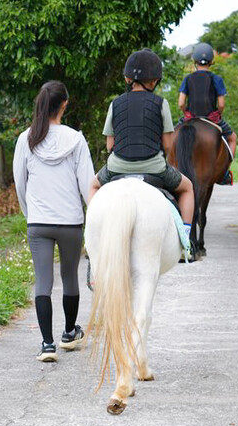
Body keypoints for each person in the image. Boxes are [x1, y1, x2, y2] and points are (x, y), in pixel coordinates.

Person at [13, 80, 95, 362]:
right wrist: (93, 218)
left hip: (39, 222)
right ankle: (69, 333)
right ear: (64, 105)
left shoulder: (26, 139)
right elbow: (87, 186)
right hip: (71, 222)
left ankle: (47, 345)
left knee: (43, 282)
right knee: (70, 277)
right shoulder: (76, 139)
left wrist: (31, 216)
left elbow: (20, 185)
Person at [88, 48, 195, 239]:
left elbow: (109, 145)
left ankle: (92, 235)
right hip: (154, 167)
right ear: (154, 81)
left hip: (117, 166)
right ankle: (185, 239)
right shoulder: (161, 103)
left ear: (127, 79)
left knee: (93, 186)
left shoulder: (115, 103)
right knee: (187, 187)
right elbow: (168, 144)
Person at [177, 42, 237, 185]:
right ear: (212, 61)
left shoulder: (188, 78)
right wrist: (217, 114)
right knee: (233, 138)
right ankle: (224, 173)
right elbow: (221, 104)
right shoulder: (217, 79)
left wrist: (187, 113)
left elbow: (181, 103)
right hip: (212, 119)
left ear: (195, 61)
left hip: (191, 117)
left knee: (170, 137)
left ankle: (169, 168)